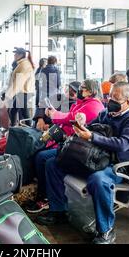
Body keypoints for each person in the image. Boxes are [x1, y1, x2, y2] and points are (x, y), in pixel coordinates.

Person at [36, 82, 129, 244]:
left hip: (115, 167)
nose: (110, 101)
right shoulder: (107, 113)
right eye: (109, 97)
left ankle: (106, 230)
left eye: (116, 98)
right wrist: (82, 124)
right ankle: (58, 211)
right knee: (53, 164)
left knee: (98, 180)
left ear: (128, 101)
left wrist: (92, 137)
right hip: (95, 159)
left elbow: (123, 143)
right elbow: (92, 128)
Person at [27, 79, 105, 214]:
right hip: (72, 144)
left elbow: (69, 118)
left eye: (82, 88)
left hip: (80, 149)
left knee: (44, 158)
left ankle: (46, 197)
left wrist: (53, 115)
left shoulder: (94, 106)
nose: (79, 91)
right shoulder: (82, 103)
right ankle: (44, 195)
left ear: (92, 91)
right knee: (39, 154)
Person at [5, 47, 35, 126]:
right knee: (18, 112)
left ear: (20, 55)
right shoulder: (22, 64)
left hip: (23, 92)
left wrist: (8, 95)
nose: (14, 55)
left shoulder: (23, 65)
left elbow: (18, 83)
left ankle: (17, 129)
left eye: (16, 54)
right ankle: (18, 128)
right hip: (23, 92)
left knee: (17, 112)